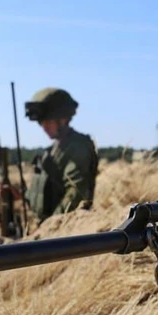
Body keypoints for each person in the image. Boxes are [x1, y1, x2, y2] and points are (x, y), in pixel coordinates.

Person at [22, 87, 99, 224]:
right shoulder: (53, 150)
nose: (43, 127)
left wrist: (50, 226)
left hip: (65, 232)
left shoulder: (78, 147)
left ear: (63, 119)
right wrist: (21, 195)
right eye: (41, 122)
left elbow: (75, 195)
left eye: (47, 121)